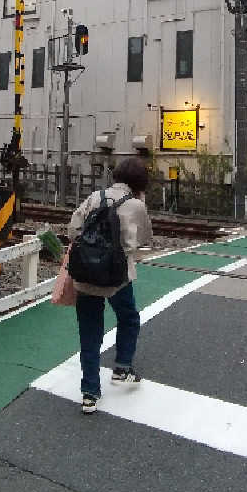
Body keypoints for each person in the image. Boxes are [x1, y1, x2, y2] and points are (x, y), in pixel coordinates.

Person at [68, 157, 153, 414]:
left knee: (90, 333)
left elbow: (73, 231)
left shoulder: (95, 197)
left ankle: (89, 394)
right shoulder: (136, 205)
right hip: (117, 277)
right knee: (128, 318)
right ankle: (122, 368)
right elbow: (144, 242)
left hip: (86, 277)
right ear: (140, 182)